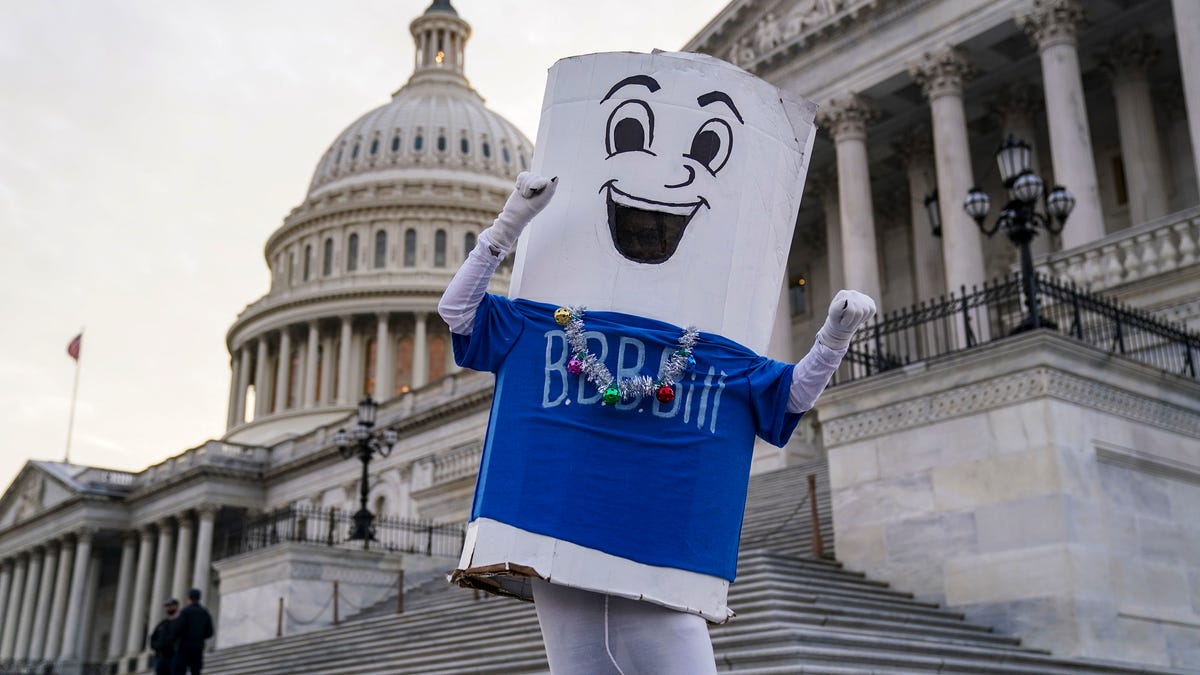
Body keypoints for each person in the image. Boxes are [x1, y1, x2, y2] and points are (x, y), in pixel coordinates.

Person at [439, 50, 875, 674]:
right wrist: (509, 225)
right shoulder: (545, 324)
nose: (660, 172)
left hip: (662, 548)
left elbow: (790, 398)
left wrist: (831, 339)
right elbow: (456, 311)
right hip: (562, 537)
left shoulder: (712, 353)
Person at [172, 588, 214, 675]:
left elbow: (177, 629)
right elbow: (210, 632)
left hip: (185, 645)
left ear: (189, 599)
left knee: (180, 670)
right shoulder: (205, 613)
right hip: (198, 646)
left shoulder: (184, 612)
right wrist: (200, 636)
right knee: (196, 670)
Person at [148, 598, 179, 675]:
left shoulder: (180, 623)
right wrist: (157, 646)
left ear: (176, 607)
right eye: (167, 606)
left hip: (174, 656)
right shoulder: (162, 624)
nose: (168, 608)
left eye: (170, 606)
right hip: (161, 657)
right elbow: (153, 638)